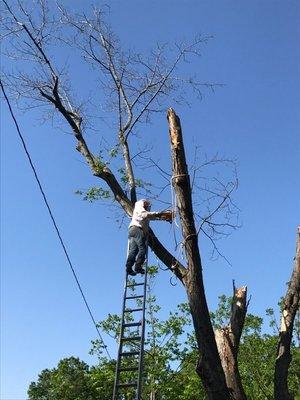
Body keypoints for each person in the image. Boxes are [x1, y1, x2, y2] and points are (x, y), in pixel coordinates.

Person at [125, 199, 173, 276]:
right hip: (137, 229)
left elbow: (152, 216)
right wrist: (160, 213)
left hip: (132, 230)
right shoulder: (139, 206)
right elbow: (146, 214)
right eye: (147, 205)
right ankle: (138, 267)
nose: (147, 207)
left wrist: (164, 216)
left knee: (133, 251)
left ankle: (129, 268)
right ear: (144, 203)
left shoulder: (142, 212)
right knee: (142, 249)